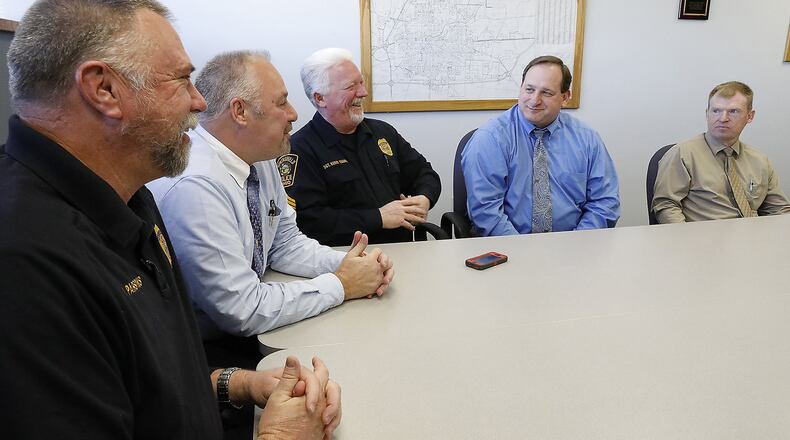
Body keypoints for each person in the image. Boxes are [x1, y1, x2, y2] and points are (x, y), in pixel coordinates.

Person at [0, 1, 339, 439]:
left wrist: (238, 384)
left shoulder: (131, 196)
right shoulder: (25, 261)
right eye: (181, 80)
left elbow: (150, 380)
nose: (200, 101)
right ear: (103, 89)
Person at [148, 50, 394, 369]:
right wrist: (343, 284)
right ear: (240, 111)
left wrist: (350, 264)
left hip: (255, 332)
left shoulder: (259, 157)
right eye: (282, 103)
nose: (294, 114)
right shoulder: (196, 186)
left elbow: (284, 244)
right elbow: (242, 309)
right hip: (209, 355)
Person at [285, 48, 441, 246]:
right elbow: (310, 222)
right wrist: (378, 217)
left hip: (402, 250)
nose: (363, 92)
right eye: (351, 86)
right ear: (320, 98)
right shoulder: (299, 149)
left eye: (361, 82)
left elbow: (425, 173)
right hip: (344, 256)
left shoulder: (382, 132)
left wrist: (424, 198)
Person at [462, 55, 620, 236]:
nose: (535, 100)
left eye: (546, 93)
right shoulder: (490, 139)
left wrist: (577, 242)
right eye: (529, 89)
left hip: (575, 243)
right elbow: (486, 212)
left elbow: (604, 202)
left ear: (565, 97)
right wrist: (524, 249)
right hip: (508, 246)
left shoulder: (587, 139)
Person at [652, 81, 790, 223]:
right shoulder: (682, 155)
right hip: (704, 235)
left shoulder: (760, 161)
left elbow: (779, 209)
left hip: (754, 234)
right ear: (707, 114)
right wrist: (686, 236)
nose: (723, 119)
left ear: (750, 116)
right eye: (716, 111)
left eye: (733, 111)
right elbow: (666, 206)